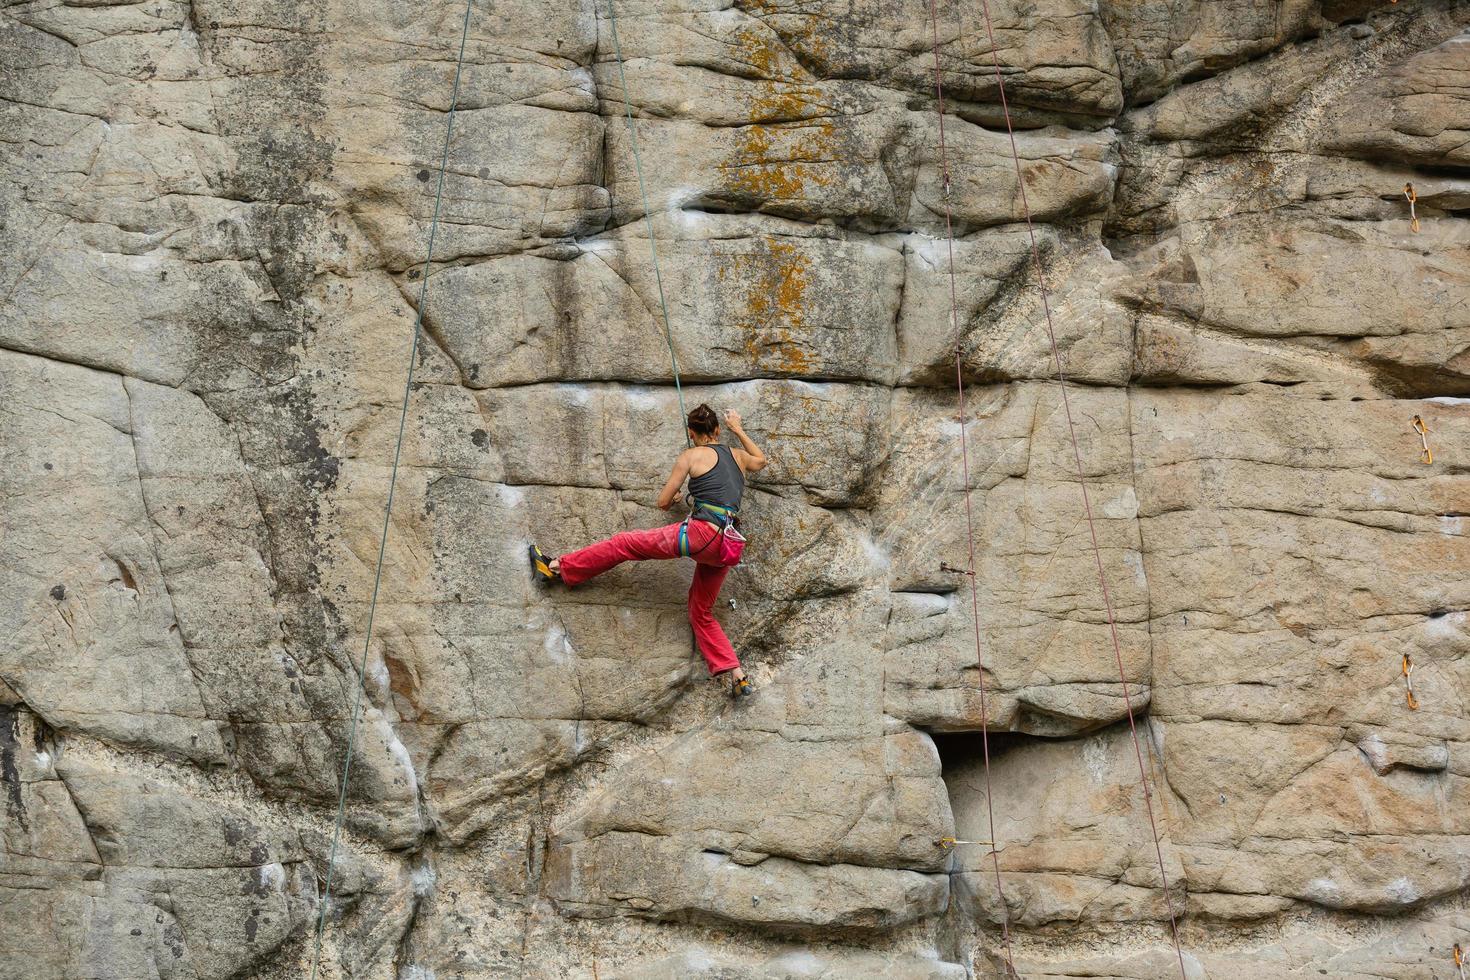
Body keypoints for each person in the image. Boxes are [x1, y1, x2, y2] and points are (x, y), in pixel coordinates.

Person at [528, 404, 767, 697]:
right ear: (718, 430)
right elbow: (761, 460)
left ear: (692, 434)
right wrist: (738, 428)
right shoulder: (739, 456)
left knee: (625, 544)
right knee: (700, 610)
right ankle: (738, 676)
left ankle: (556, 568)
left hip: (700, 534)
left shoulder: (691, 455)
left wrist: (677, 497)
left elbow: (663, 502)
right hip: (727, 545)